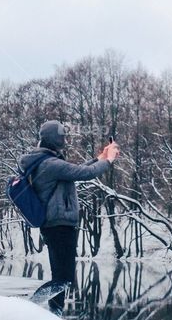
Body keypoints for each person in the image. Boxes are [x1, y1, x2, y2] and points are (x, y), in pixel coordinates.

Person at [18, 120, 119, 309]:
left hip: (55, 225)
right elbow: (84, 173)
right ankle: (30, 309)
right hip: (60, 225)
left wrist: (100, 158)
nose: (65, 139)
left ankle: (53, 316)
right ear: (56, 139)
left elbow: (76, 170)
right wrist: (109, 160)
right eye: (63, 136)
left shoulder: (46, 162)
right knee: (64, 279)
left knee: (61, 277)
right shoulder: (50, 164)